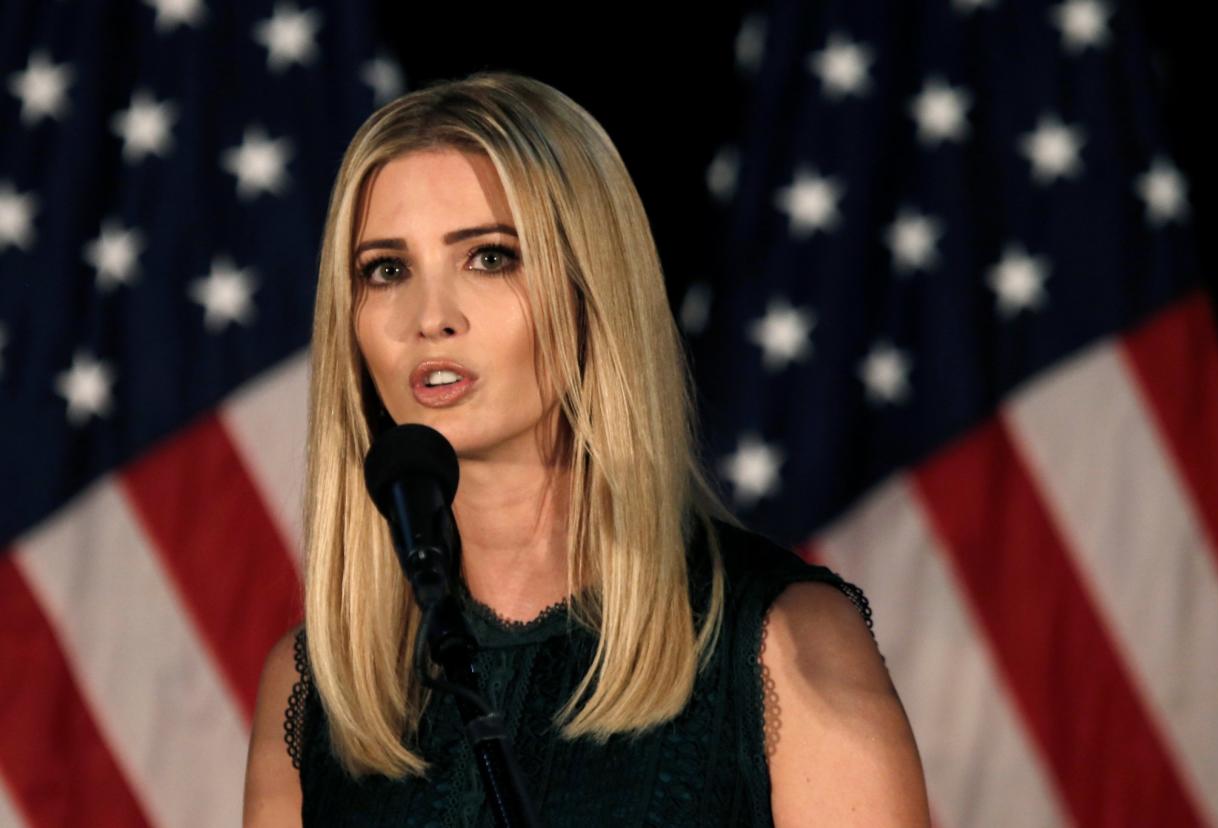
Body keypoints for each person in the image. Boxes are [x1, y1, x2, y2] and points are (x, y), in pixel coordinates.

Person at [242, 71, 929, 827]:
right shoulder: (319, 690)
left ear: (591, 287)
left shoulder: (779, 644)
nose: (429, 317)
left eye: (490, 257)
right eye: (387, 270)